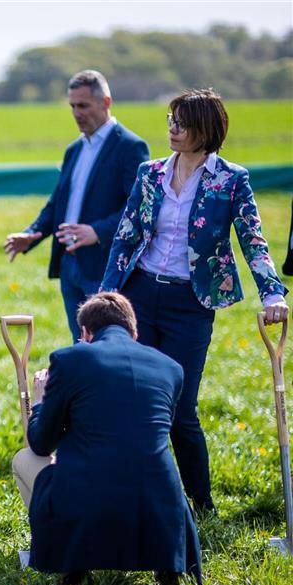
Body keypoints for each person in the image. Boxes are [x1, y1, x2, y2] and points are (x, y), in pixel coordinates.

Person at [101, 88, 289, 514]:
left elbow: (252, 240)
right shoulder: (150, 173)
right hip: (138, 296)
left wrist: (273, 292)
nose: (172, 127)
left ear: (206, 130)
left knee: (181, 407)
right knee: (133, 400)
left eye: (181, 122)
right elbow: (126, 236)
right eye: (170, 118)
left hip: (191, 302)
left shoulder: (231, 179)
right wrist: (106, 294)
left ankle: (200, 505)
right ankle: (135, 498)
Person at [12, 292, 202, 585]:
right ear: (135, 332)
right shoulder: (171, 368)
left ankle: (68, 560)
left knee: (24, 459)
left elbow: (40, 444)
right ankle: (166, 574)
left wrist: (39, 402)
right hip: (162, 506)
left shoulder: (69, 359)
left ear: (85, 333)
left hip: (88, 499)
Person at [4, 70, 149, 342]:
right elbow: (58, 202)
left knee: (106, 345)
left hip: (103, 265)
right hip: (69, 265)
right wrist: (33, 233)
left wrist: (98, 231)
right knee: (80, 344)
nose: (76, 113)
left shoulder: (130, 147)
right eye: (72, 106)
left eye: (83, 105)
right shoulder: (74, 150)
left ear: (106, 102)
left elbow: (139, 208)